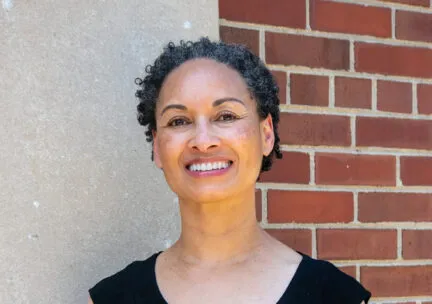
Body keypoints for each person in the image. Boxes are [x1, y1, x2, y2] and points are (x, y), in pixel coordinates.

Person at [88, 38, 371, 303]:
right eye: (178, 121)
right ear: (157, 148)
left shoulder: (334, 296)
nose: (202, 141)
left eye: (225, 116)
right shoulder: (112, 298)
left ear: (266, 134)